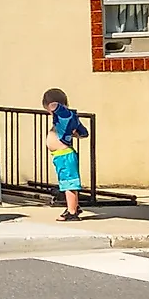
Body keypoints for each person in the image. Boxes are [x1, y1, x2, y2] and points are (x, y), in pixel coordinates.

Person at [44, 87, 90, 220]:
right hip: (61, 155)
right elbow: (84, 133)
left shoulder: (64, 114)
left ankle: (72, 213)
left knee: (69, 183)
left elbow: (55, 105)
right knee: (65, 183)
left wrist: (55, 106)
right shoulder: (69, 118)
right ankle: (74, 206)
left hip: (64, 155)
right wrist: (74, 133)